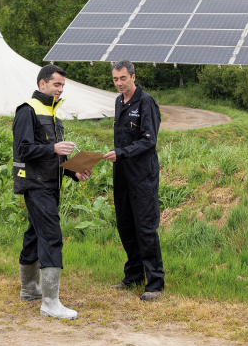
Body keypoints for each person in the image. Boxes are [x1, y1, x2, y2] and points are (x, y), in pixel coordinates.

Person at [13, 64, 92, 320]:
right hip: (35, 184)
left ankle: (29, 289)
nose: (60, 89)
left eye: (62, 86)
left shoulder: (54, 114)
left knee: (35, 233)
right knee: (51, 235)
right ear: (42, 84)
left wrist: (73, 171)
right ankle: (50, 303)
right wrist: (54, 149)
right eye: (57, 84)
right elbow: (23, 150)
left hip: (50, 183)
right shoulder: (28, 110)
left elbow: (54, 156)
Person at [103, 60, 164, 301]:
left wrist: (123, 152)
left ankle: (155, 283)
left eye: (123, 79)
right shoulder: (119, 101)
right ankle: (133, 276)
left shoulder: (146, 101)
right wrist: (117, 155)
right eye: (115, 79)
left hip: (142, 175)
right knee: (125, 225)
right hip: (122, 172)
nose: (119, 83)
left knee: (145, 228)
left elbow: (149, 139)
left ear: (133, 77)